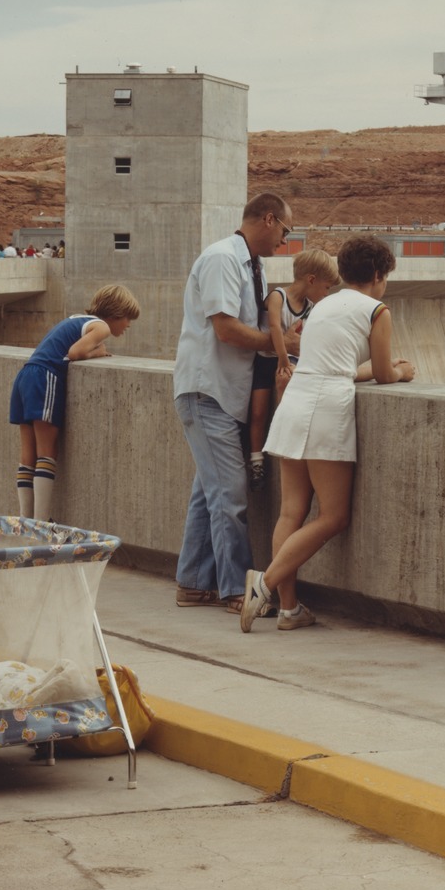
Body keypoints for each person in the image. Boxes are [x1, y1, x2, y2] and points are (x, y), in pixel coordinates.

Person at [242, 235, 414, 633]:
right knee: (333, 516)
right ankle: (264, 586)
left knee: (291, 511)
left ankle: (289, 609)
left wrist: (375, 370)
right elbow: (386, 374)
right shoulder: (377, 310)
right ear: (377, 274)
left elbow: (340, 366)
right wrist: (403, 371)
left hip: (296, 402)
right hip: (326, 409)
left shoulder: (322, 307)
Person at [172, 192, 297, 610]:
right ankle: (237, 590)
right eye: (285, 229)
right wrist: (276, 343)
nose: (285, 240)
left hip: (223, 394)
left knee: (210, 495)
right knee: (230, 496)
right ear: (268, 219)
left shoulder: (251, 265)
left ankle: (192, 582)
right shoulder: (223, 259)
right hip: (209, 391)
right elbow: (225, 329)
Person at [8, 284, 142, 521]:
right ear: (116, 315)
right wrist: (98, 353)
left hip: (25, 376)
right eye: (128, 319)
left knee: (27, 454)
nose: (128, 325)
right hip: (45, 377)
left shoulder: (77, 319)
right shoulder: (101, 327)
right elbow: (75, 353)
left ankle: (24, 520)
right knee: (47, 453)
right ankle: (40, 522)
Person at [249, 249, 339, 486]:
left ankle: (285, 446)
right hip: (268, 360)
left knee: (287, 403)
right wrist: (282, 358)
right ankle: (256, 460)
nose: (326, 293)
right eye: (326, 287)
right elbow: (275, 328)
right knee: (258, 412)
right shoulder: (279, 296)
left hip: (289, 360)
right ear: (311, 279)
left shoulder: (309, 307)